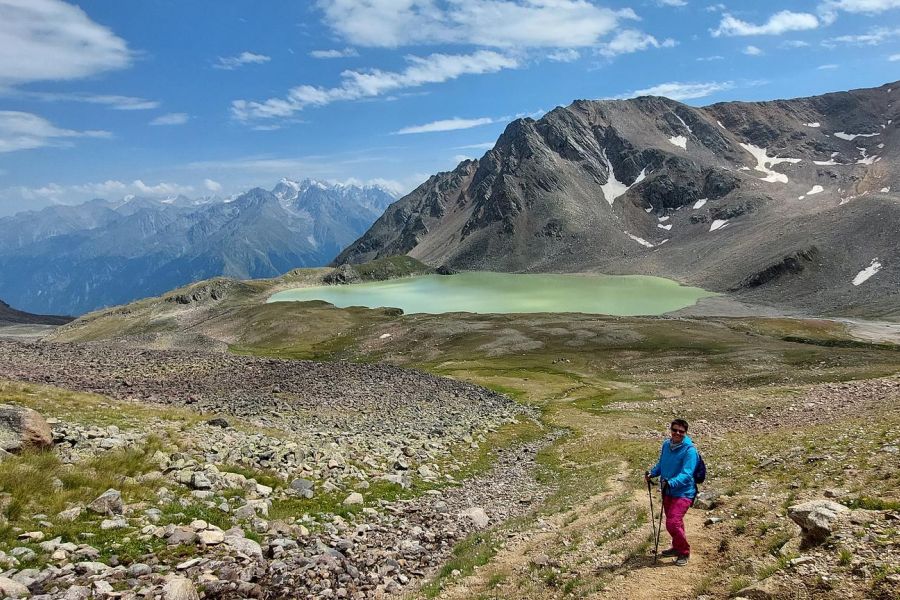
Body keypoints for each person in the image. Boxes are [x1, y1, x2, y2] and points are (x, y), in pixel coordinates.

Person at [644, 418, 699, 566]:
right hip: (667, 490)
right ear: (671, 430)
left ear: (685, 433)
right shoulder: (666, 445)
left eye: (681, 431)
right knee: (676, 522)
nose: (677, 433)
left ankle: (684, 552)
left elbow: (687, 473)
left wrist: (671, 482)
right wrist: (652, 473)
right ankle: (676, 547)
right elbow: (662, 464)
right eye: (675, 430)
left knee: (672, 522)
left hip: (684, 492)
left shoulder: (690, 451)